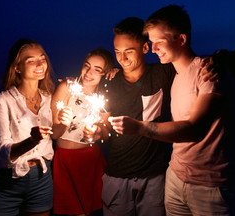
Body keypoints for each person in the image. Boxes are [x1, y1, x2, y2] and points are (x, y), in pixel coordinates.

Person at [109, 5, 235, 215]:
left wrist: (140, 128)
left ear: (181, 39)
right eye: (151, 43)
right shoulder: (175, 75)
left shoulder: (208, 73)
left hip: (210, 185)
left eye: (159, 42)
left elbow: (194, 129)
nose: (153, 49)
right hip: (175, 178)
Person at [83, 17, 220, 216]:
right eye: (118, 52)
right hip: (117, 175)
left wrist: (221, 57)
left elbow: (190, 63)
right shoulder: (109, 82)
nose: (123, 58)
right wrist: (96, 132)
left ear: (145, 48)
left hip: (154, 177)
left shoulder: (163, 73)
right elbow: (105, 129)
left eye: (129, 51)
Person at [0, 38, 55, 216]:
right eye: (30, 61)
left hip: (42, 176)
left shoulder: (49, 98)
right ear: (17, 67)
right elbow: (2, 152)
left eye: (42, 58)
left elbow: (58, 133)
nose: (40, 63)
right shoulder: (4, 101)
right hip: (9, 181)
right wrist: (32, 140)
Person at [51, 48, 116, 216]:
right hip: (65, 160)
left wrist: (99, 133)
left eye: (97, 69)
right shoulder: (68, 87)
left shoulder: (103, 97)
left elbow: (107, 132)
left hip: (91, 161)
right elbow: (54, 134)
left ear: (105, 74)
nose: (89, 72)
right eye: (87, 66)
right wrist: (63, 122)